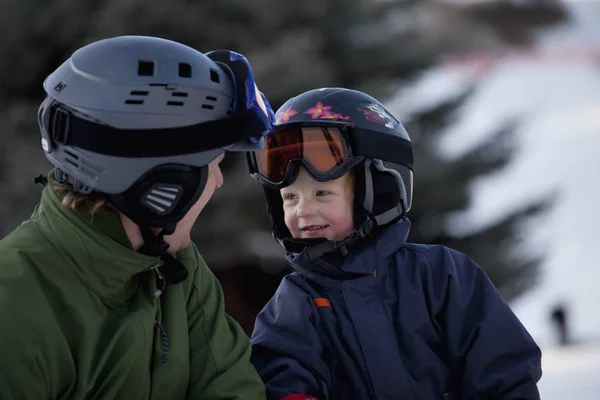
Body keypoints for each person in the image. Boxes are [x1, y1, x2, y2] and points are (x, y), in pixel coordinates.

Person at [0, 35, 274, 399]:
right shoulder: (15, 312)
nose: (220, 181)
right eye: (214, 164)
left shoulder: (177, 272)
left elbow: (229, 386)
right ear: (161, 187)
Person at [247, 87, 543, 400]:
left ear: (379, 190)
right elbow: (281, 375)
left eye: (323, 193)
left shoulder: (441, 275)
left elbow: (503, 370)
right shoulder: (296, 300)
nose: (302, 211)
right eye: (290, 197)